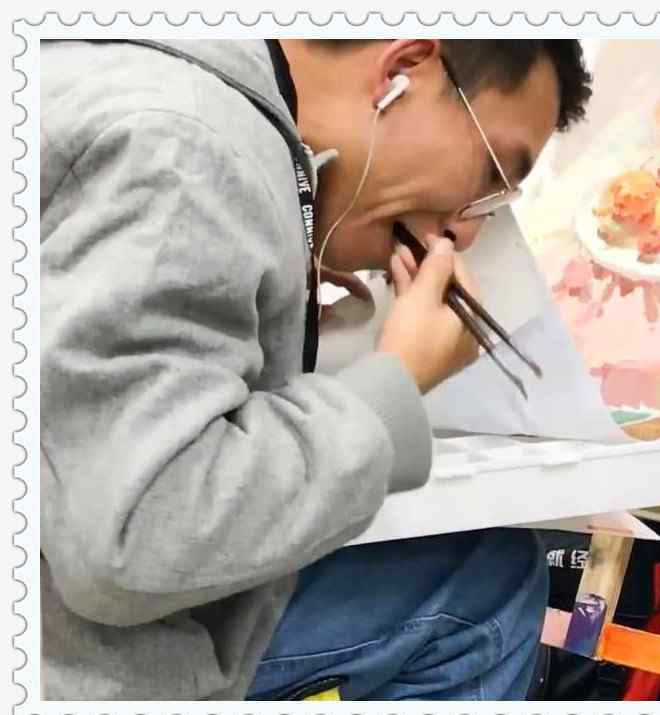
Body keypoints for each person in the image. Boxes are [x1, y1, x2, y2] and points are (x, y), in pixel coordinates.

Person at [40, 38, 592, 700]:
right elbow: (134, 534)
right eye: (491, 174)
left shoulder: (125, 78)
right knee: (487, 582)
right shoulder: (190, 151)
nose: (466, 232)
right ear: (403, 71)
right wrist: (395, 382)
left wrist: (270, 309)